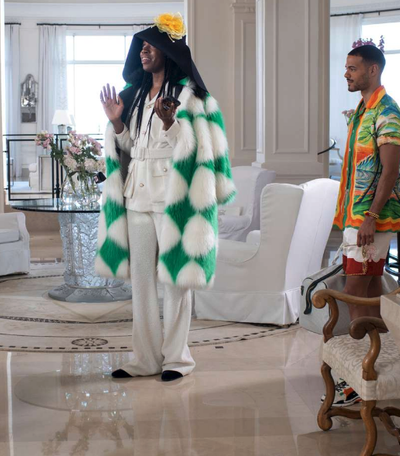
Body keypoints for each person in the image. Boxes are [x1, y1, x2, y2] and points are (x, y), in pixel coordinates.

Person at [96, 13, 235, 382]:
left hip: (173, 200)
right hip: (136, 197)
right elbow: (130, 148)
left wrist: (171, 123)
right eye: (141, 46)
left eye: (151, 46)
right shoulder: (135, 96)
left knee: (175, 281)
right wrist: (117, 122)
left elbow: (198, 150)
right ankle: (144, 359)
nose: (143, 51)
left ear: (168, 51)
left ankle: (177, 359)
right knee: (142, 283)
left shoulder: (191, 97)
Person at [328, 44, 400, 407]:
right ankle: (377, 371)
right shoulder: (363, 111)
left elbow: (390, 171)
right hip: (357, 218)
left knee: (355, 292)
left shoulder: (387, 113)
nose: (346, 73)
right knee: (370, 291)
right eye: (346, 68)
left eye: (353, 68)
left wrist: (371, 218)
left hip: (370, 221)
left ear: (372, 70)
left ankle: (355, 380)